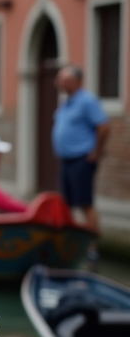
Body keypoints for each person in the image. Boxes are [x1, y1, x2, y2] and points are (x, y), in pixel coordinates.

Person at [53, 65, 109, 234]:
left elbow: (104, 126)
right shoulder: (66, 102)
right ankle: (71, 243)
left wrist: (96, 151)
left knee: (85, 203)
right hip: (67, 160)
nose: (61, 83)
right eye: (60, 80)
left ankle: (92, 248)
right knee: (67, 203)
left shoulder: (87, 101)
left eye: (66, 80)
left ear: (77, 82)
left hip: (82, 159)